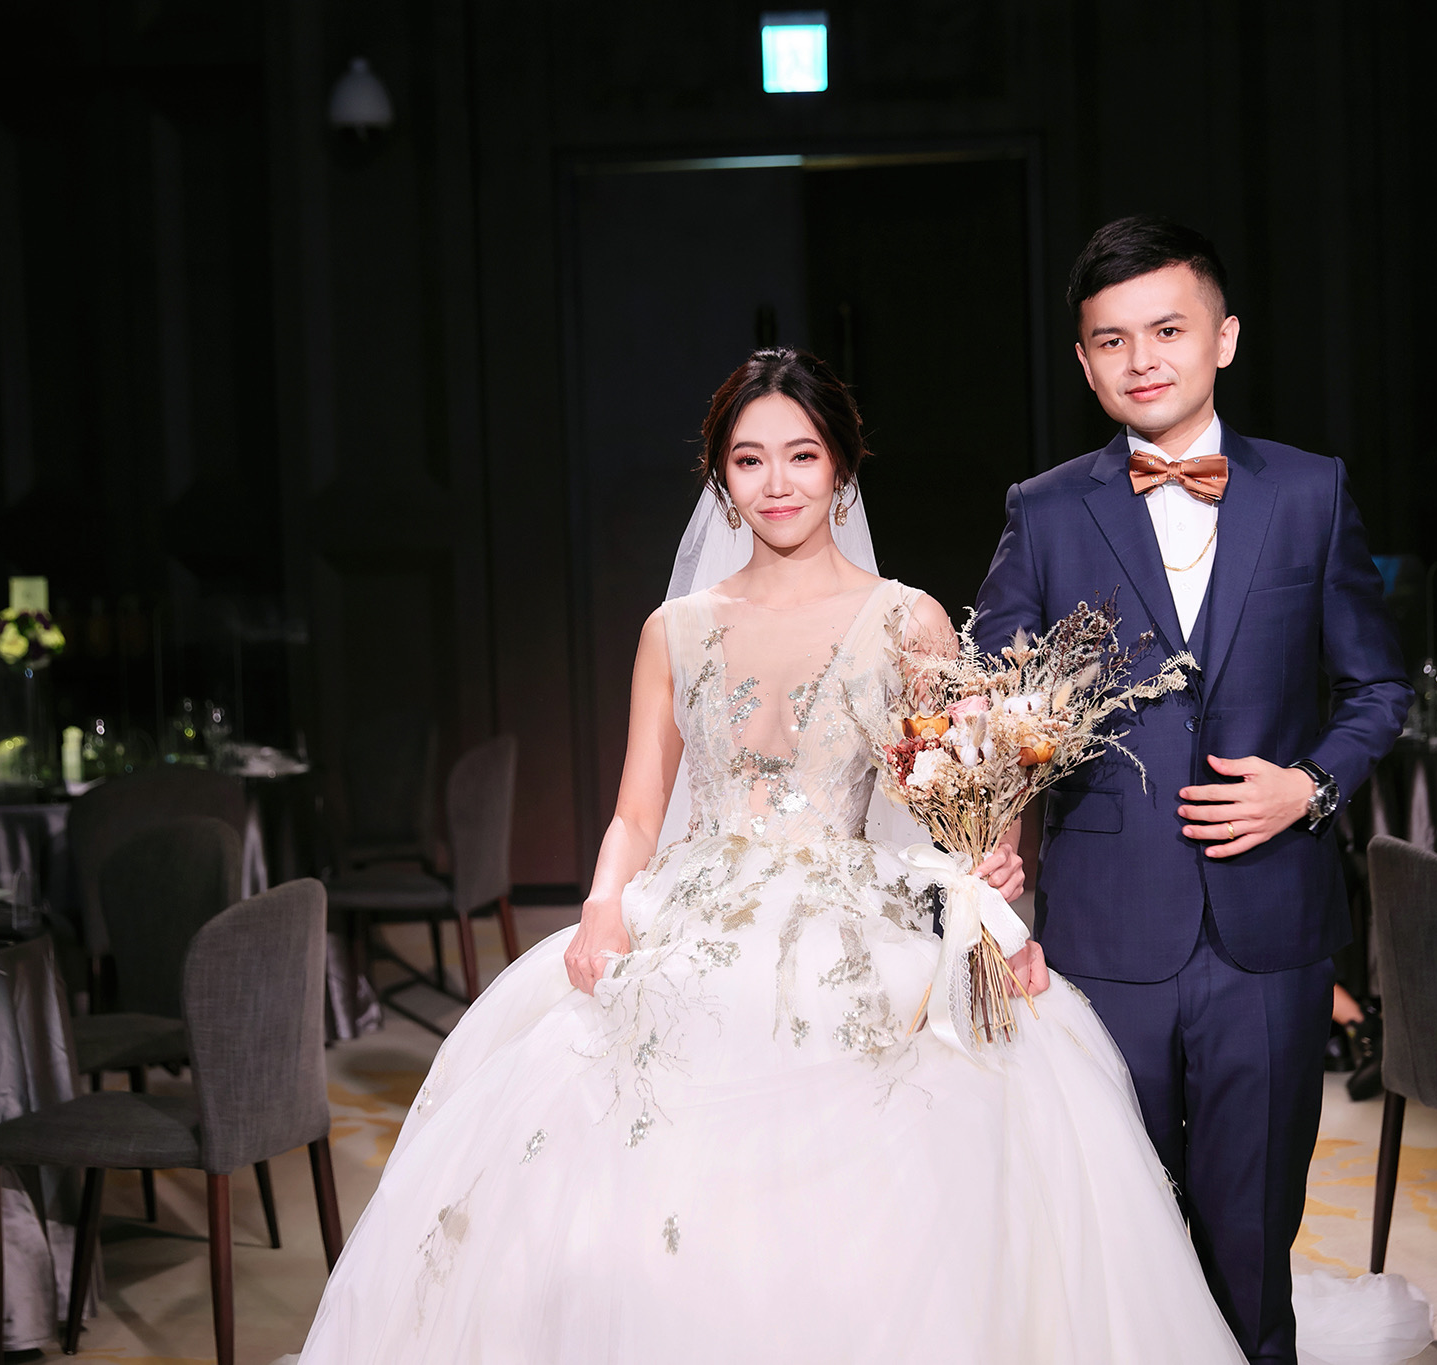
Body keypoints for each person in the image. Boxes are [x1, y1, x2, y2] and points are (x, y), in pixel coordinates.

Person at [294, 347, 1249, 1362]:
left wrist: (992, 869)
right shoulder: (674, 629)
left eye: (802, 454)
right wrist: (604, 901)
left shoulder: (906, 618)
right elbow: (635, 810)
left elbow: (967, 789)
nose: (777, 482)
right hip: (693, 913)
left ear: (841, 464)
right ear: (721, 476)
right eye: (749, 460)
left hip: (854, 918)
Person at [972, 217, 1415, 1364]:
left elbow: (1376, 688)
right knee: (1112, 1245)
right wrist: (993, 832)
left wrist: (1306, 786)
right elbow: (989, 705)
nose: (1141, 359)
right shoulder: (1044, 510)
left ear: (1221, 337)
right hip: (1104, 928)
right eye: (1110, 340)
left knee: (1250, 1239)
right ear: (1083, 362)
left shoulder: (1309, 492)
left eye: (1166, 330)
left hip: (1268, 927)